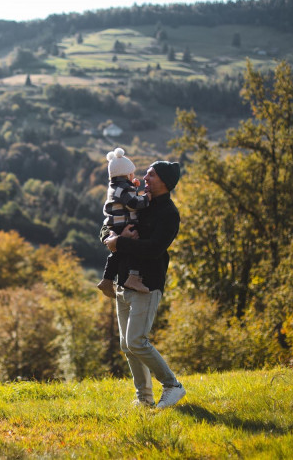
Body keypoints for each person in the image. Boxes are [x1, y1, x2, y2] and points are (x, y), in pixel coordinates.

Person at [102, 159, 186, 409]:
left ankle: (173, 386)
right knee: (128, 346)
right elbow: (107, 227)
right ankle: (144, 400)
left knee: (137, 341)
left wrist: (120, 242)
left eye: (151, 176)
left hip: (147, 283)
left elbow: (154, 249)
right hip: (123, 282)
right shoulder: (137, 202)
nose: (144, 179)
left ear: (165, 182)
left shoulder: (168, 214)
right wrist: (112, 238)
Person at [97, 148, 151, 297]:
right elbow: (132, 203)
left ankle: (107, 279)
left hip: (115, 224)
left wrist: (133, 186)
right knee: (134, 246)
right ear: (126, 174)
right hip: (124, 224)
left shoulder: (115, 187)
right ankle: (133, 277)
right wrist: (146, 198)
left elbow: (123, 199)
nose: (134, 176)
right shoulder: (124, 189)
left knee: (118, 252)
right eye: (132, 173)